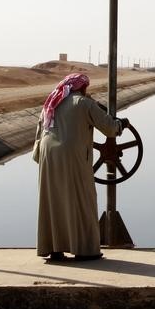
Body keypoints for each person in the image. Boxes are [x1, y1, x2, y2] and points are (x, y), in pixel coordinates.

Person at [32, 73, 123, 262]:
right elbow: (108, 127)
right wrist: (121, 125)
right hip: (72, 156)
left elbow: (40, 130)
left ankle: (54, 249)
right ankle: (85, 250)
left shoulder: (52, 102)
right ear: (81, 88)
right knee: (82, 199)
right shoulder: (83, 103)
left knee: (52, 199)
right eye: (85, 88)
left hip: (47, 155)